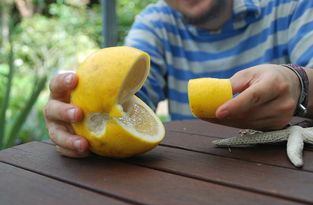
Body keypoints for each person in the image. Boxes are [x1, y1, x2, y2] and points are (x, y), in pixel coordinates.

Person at [44, 0, 313, 158]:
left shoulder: (292, 6)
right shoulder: (155, 22)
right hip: (194, 174)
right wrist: (78, 113)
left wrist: (300, 82)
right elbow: (127, 97)